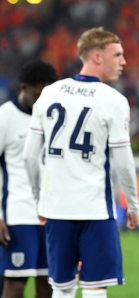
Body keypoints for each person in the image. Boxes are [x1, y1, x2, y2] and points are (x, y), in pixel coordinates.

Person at [22, 27, 139, 298]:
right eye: (118, 55)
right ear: (97, 57)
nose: (123, 61)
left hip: (56, 209)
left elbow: (30, 157)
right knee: (94, 290)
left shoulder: (50, 93)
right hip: (94, 210)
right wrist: (133, 206)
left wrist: (39, 198)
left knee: (61, 289)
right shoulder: (113, 100)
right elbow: (123, 163)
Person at [0, 59, 58, 298]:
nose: (43, 99)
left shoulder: (55, 117)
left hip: (52, 214)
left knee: (49, 284)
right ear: (24, 87)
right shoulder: (5, 117)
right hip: (18, 215)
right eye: (38, 93)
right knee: (16, 282)